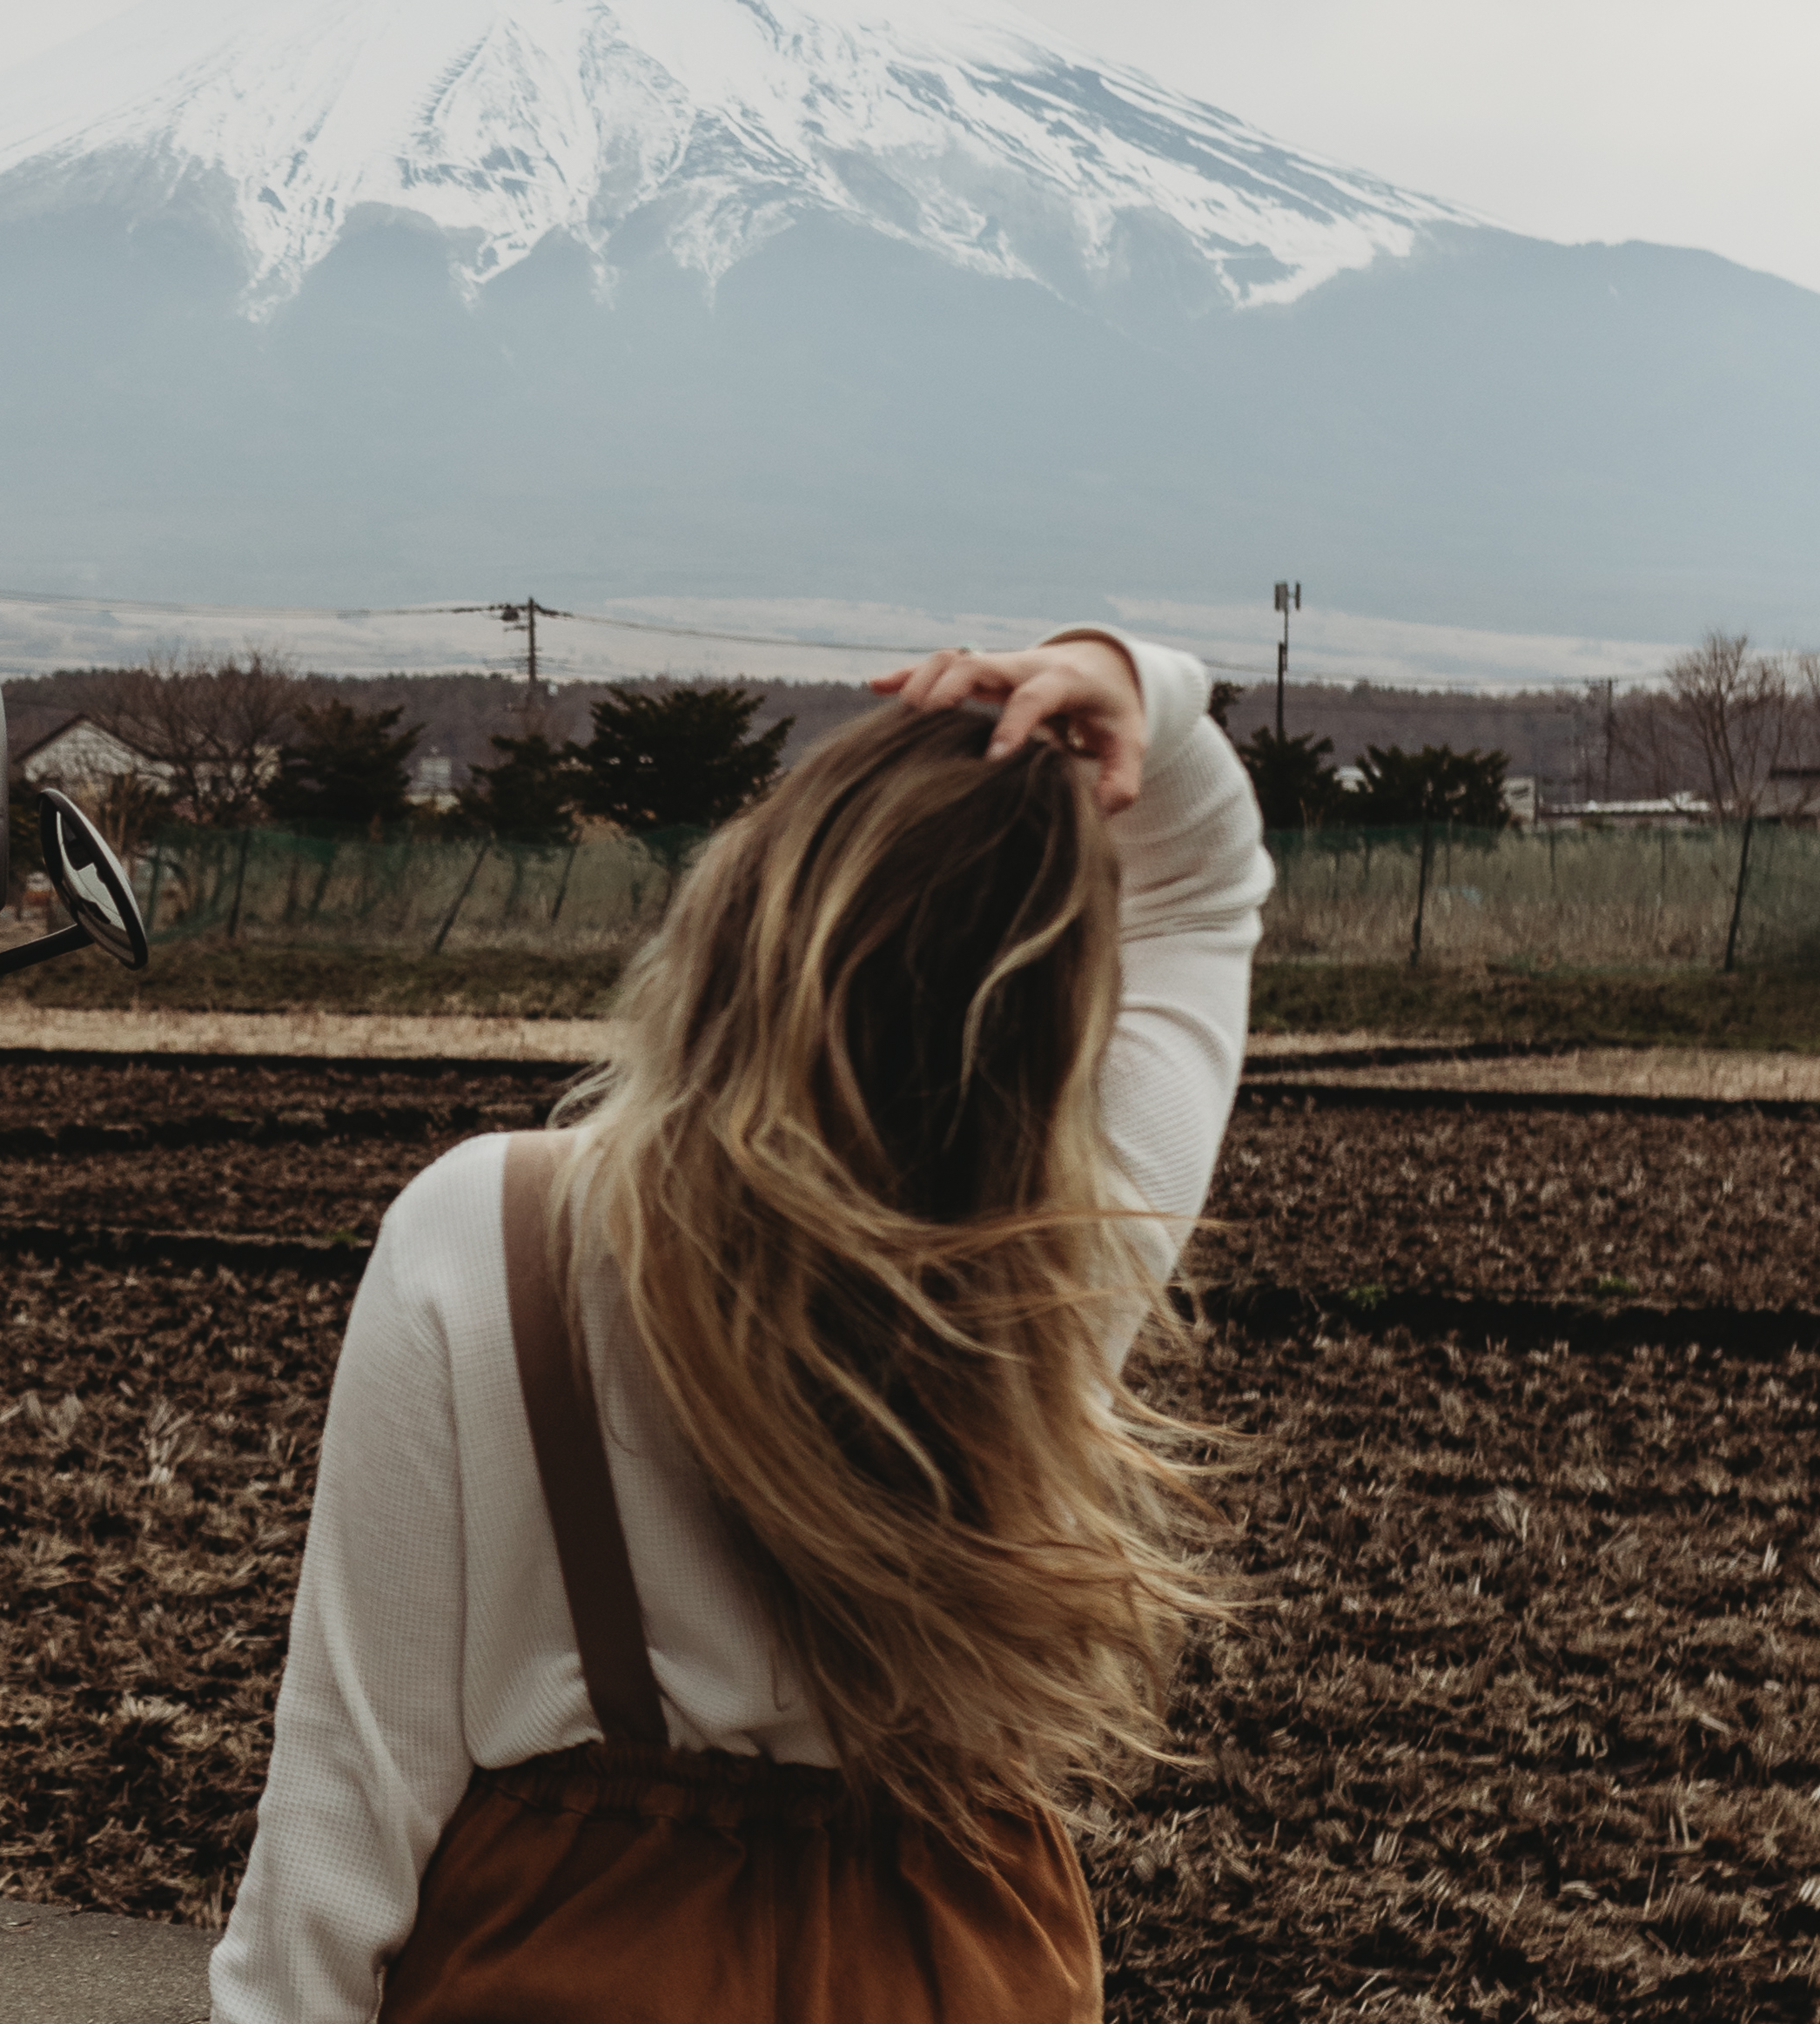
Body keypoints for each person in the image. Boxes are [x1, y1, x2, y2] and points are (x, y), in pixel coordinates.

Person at [210, 631, 1270, 2023]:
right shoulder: (1059, 1258)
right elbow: (1207, 893)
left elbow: (347, 1789)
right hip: (949, 1967)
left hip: (572, 1955)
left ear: (745, 914)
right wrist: (1129, 684)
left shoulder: (496, 1230)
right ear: (1057, 1015)